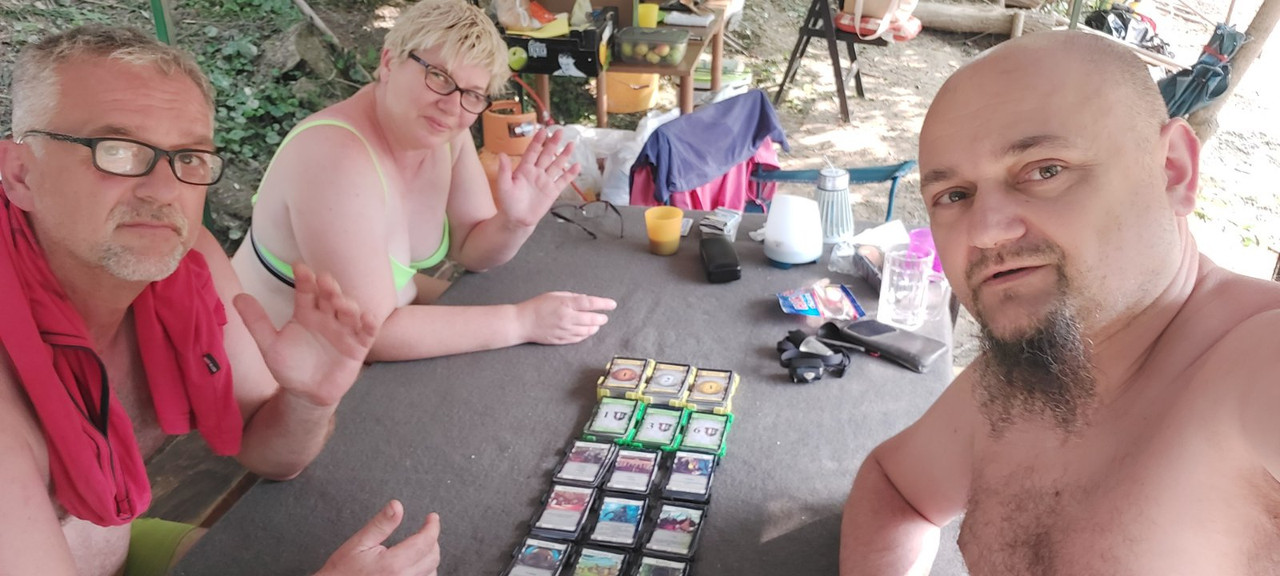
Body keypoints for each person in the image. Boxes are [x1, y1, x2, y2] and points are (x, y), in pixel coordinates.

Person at [0, 26, 440, 576]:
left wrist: (309, 398)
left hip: (119, 550)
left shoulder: (186, 261)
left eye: (189, 157)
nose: (163, 191)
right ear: (20, 174)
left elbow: (271, 456)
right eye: (116, 151)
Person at [839, 30, 1280, 574]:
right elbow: (895, 486)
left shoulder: (1257, 364)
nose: (985, 231)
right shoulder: (1026, 375)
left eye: (1045, 170)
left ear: (1173, 169)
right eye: (954, 195)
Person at [230, 0, 617, 362]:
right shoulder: (335, 159)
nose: (451, 105)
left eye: (472, 94)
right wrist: (522, 322)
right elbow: (369, 333)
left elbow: (471, 249)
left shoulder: (446, 135)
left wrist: (515, 222)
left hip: (364, 345)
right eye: (438, 77)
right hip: (273, 373)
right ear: (389, 62)